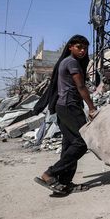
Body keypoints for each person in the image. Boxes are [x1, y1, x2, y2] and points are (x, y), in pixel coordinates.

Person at [33, 35, 97, 196]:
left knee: (69, 144)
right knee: (82, 143)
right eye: (79, 47)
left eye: (84, 48)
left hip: (63, 107)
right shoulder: (72, 62)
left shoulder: (66, 62)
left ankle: (64, 183)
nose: (82, 51)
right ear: (70, 47)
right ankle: (51, 173)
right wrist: (91, 108)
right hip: (69, 106)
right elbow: (81, 86)